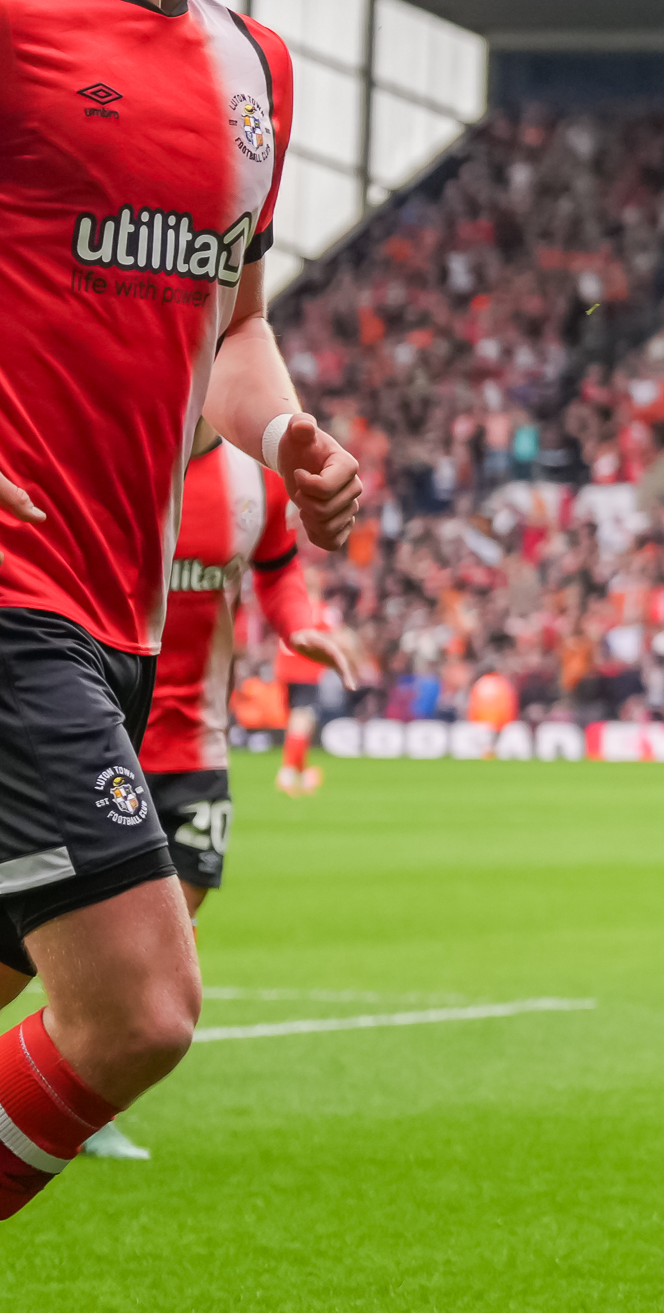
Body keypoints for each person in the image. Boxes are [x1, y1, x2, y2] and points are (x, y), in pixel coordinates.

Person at [0, 0, 365, 1219]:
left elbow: (231, 330)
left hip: (120, 616)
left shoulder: (257, 74)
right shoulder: (10, 22)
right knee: (142, 1007)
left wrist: (287, 434)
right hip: (14, 598)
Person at [2, 419, 369, 1162]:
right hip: (99, 737)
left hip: (196, 743)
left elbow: (277, 567)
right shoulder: (114, 457)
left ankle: (86, 1060)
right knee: (54, 953)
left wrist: (299, 625)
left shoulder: (252, 480)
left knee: (169, 919)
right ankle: (80, 1050)